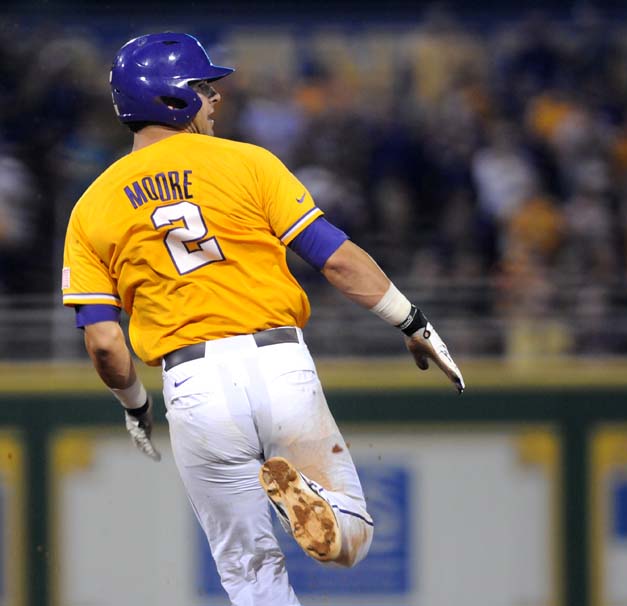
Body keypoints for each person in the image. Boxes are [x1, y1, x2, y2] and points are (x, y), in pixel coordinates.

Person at [61, 32, 465, 606]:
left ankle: (303, 507)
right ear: (172, 99)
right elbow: (340, 261)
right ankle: (313, 501)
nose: (216, 98)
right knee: (352, 539)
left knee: (252, 579)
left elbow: (104, 342)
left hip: (193, 387)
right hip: (279, 365)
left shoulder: (91, 206)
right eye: (203, 88)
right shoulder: (249, 162)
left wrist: (136, 408)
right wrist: (413, 324)